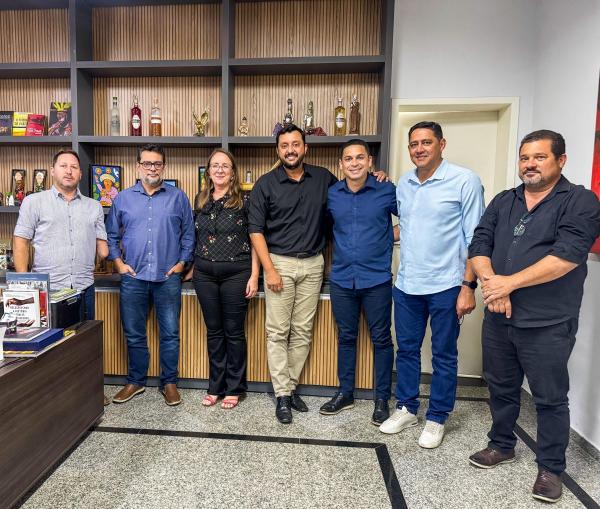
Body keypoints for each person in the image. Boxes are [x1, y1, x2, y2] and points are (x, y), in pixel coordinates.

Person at [467, 130, 600, 503]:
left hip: (547, 322)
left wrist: (507, 284)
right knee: (500, 386)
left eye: (539, 157)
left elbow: (567, 256)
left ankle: (551, 468)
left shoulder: (580, 201)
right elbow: (479, 244)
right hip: (499, 316)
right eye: (525, 157)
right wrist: (494, 286)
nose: (530, 164)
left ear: (561, 160)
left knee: (549, 397)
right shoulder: (504, 200)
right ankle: (501, 445)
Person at [380, 121, 485, 448]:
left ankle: (437, 416)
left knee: (443, 354)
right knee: (407, 350)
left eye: (426, 142)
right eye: (414, 144)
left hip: (447, 286)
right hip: (407, 285)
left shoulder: (465, 180)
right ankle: (407, 408)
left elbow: (477, 239)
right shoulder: (404, 183)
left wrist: (468, 286)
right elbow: (407, 227)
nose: (419, 149)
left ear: (442, 144)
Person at [248, 124, 336, 424]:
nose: (290, 150)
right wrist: (269, 270)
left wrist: (377, 177)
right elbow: (255, 231)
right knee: (277, 332)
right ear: (278, 150)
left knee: (302, 331)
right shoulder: (265, 184)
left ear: (305, 147)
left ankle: (290, 387)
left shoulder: (324, 178)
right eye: (284, 145)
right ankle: (282, 395)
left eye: (295, 144)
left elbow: (351, 194)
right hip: (279, 264)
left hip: (313, 264)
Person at [13, 148, 110, 405]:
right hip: (48, 290)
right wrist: (24, 284)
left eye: (74, 167)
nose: (69, 171)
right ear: (53, 170)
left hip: (83, 288)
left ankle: (90, 393)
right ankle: (53, 399)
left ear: (80, 174)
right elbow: (21, 241)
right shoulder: (34, 202)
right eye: (63, 166)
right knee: (50, 347)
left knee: (86, 344)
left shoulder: (93, 206)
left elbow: (103, 248)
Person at [107, 144, 195, 407]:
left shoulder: (178, 197)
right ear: (138, 166)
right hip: (133, 277)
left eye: (157, 163)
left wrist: (182, 263)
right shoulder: (123, 198)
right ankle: (136, 381)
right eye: (147, 163)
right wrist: (119, 263)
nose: (152, 168)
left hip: (167, 278)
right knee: (134, 333)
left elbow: (189, 235)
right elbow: (111, 235)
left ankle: (169, 383)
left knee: (170, 334)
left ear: (163, 167)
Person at [319, 139, 398, 425]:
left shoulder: (386, 189)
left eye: (360, 157)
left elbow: (415, 219)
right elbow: (326, 229)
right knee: (346, 337)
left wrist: (390, 236)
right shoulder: (333, 194)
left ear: (370, 162)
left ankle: (382, 398)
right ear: (341, 164)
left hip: (376, 279)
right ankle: (346, 393)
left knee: (382, 339)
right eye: (349, 159)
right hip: (342, 279)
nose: (354, 163)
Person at [190, 149, 259, 410]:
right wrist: (191, 267)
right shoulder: (200, 199)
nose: (220, 170)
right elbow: (195, 237)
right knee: (214, 331)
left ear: (233, 172)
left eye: (225, 166)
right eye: (215, 165)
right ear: (208, 171)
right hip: (204, 275)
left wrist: (255, 275)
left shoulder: (245, 200)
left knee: (234, 332)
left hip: (237, 273)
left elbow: (255, 239)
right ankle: (215, 387)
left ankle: (234, 388)